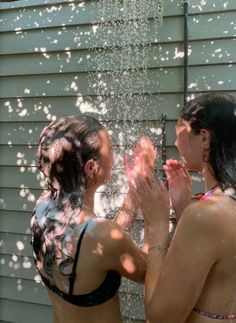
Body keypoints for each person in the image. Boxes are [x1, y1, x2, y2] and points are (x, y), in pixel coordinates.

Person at [31, 115, 153, 323]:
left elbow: (98, 245)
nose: (114, 157)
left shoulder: (42, 208)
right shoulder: (100, 236)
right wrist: (155, 221)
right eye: (111, 150)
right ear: (91, 167)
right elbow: (149, 271)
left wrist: (134, 192)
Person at [131, 92, 236, 323]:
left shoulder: (206, 215)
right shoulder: (221, 204)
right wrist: (182, 209)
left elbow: (160, 318)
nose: (176, 142)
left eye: (179, 131)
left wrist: (156, 225)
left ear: (205, 138)